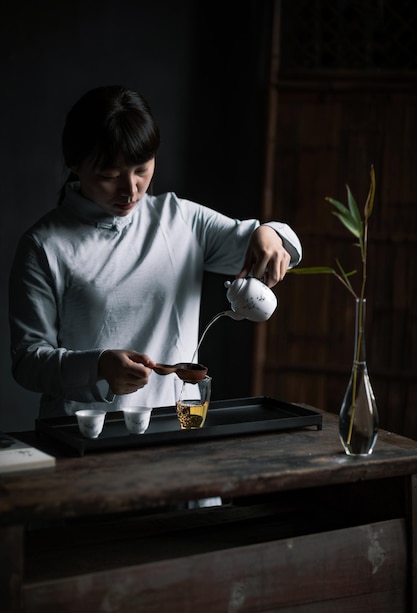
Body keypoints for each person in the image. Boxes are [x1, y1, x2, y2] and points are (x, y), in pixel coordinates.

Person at [9, 85, 302, 420]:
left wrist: (269, 233)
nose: (130, 189)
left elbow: (277, 247)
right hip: (82, 433)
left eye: (142, 169)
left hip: (180, 425)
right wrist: (98, 366)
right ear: (75, 164)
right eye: (109, 175)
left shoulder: (182, 220)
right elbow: (28, 360)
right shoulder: (44, 246)